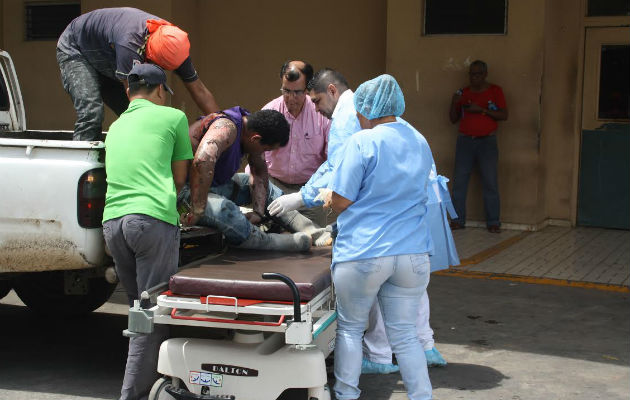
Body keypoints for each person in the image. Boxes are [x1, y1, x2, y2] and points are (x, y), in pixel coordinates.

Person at [277, 68, 450, 372]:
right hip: (417, 208)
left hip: (389, 218)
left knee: (382, 283)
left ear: (332, 91)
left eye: (316, 101)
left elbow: (340, 170)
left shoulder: (351, 117)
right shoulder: (405, 128)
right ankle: (425, 345)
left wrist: (302, 197)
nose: (315, 109)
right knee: (410, 284)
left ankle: (379, 355)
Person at [328, 74, 434, 400]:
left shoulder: (364, 141)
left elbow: (342, 199)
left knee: (350, 329)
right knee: (405, 336)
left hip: (365, 252)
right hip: (413, 254)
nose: (359, 117)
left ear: (368, 109)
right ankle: (422, 396)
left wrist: (327, 201)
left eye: (360, 111)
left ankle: (346, 395)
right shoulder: (419, 140)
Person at [101, 63, 192, 400]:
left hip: (114, 225)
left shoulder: (116, 125)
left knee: (138, 310)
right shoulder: (173, 118)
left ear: (128, 92)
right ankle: (133, 394)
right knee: (151, 313)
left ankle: (158, 384)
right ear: (159, 90)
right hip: (151, 219)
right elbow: (180, 178)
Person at [57, 7, 220, 141]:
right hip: (77, 49)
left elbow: (200, 91)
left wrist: (220, 125)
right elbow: (138, 103)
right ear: (149, 54)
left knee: (136, 116)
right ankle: (82, 166)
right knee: (92, 113)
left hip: (109, 55)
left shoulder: (176, 45)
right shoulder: (131, 43)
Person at [179, 107, 325, 251]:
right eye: (266, 149)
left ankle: (312, 231)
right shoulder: (226, 129)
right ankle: (265, 241)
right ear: (256, 139)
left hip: (213, 184)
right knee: (224, 209)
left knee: (266, 188)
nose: (264, 153)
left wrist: (258, 212)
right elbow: (202, 161)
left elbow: (259, 171)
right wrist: (198, 211)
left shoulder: (250, 127)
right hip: (186, 192)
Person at [260, 60, 330, 227]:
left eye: (297, 92)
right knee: (271, 239)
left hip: (310, 190)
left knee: (315, 240)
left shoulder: (321, 114)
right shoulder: (270, 111)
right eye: (286, 91)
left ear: (308, 89)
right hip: (274, 187)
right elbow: (257, 155)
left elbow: (332, 159)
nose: (291, 98)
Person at [449, 60, 508, 233]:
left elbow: (504, 115)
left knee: (490, 182)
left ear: (485, 74)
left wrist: (481, 110)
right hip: (465, 141)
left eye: (478, 74)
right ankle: (457, 220)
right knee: (460, 182)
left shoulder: (495, 91)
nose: (474, 78)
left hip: (487, 142)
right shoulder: (463, 93)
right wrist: (454, 102)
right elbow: (452, 119)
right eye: (472, 74)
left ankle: (493, 221)